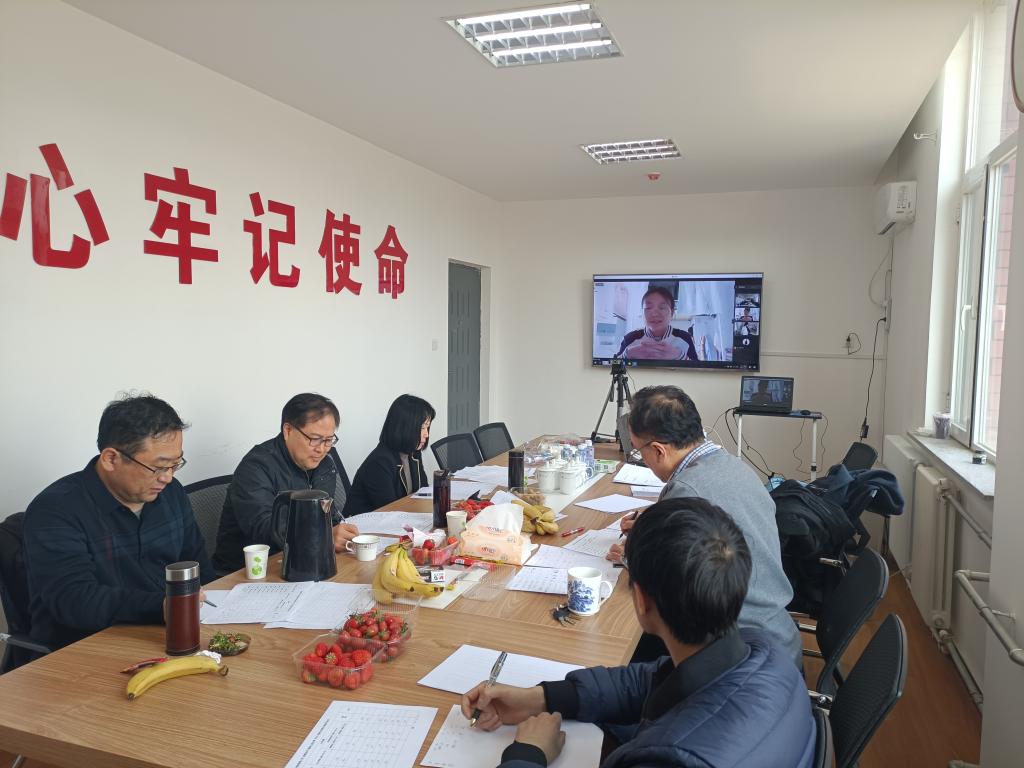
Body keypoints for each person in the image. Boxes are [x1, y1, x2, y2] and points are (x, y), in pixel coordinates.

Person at [464, 497, 815, 768]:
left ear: (642, 600)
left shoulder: (669, 760)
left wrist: (528, 754)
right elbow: (651, 681)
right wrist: (543, 698)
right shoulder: (762, 649)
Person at [608, 385, 801, 664]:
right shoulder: (734, 466)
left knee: (620, 644)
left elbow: (667, 580)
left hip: (737, 649)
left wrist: (629, 556)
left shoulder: (685, 489)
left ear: (659, 450)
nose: (643, 460)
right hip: (777, 635)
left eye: (639, 452)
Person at [23, 394, 213, 650]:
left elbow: (197, 564)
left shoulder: (171, 494)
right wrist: (162, 605)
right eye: (159, 467)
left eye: (175, 465)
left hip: (166, 633)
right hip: (87, 648)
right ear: (111, 459)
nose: (167, 478)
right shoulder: (56, 510)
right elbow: (73, 600)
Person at [212, 393, 358, 574]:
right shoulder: (255, 468)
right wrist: (325, 538)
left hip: (305, 562)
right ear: (288, 431)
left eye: (328, 440)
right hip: (249, 572)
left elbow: (329, 516)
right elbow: (265, 532)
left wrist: (339, 533)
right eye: (314, 439)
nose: (321, 449)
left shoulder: (324, 465)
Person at [343, 394, 434, 517]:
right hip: (365, 525)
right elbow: (390, 511)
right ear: (404, 427)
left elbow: (422, 493)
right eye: (422, 427)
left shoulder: (413, 453)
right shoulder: (379, 462)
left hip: (401, 519)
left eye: (427, 427)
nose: (426, 434)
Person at [616, 286, 698, 361]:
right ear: (642, 312)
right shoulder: (630, 339)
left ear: (672, 313)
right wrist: (626, 355)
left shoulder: (684, 338)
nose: (655, 314)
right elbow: (612, 368)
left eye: (662, 308)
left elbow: (698, 370)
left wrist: (680, 356)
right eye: (648, 308)